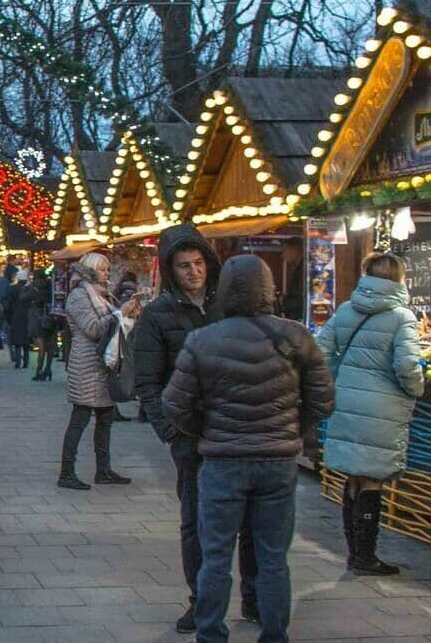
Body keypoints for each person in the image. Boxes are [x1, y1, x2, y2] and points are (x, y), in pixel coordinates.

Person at [163, 254, 334, 643]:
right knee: (273, 557)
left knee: (216, 556)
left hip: (222, 461)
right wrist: (291, 429)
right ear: (268, 289)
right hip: (277, 462)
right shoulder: (295, 336)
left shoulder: (202, 340)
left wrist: (207, 430)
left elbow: (174, 405)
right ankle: (274, 633)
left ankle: (211, 632)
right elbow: (323, 399)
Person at [133, 223, 257, 633]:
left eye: (199, 262)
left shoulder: (230, 304)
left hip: (238, 428)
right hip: (191, 434)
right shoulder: (158, 315)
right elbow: (147, 380)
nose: (193, 272)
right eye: (184, 265)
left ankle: (254, 596)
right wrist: (169, 429)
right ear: (171, 270)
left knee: (250, 517)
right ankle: (201, 600)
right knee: (198, 520)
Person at [316, 253, 423, 576]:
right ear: (399, 279)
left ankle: (355, 553)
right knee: (373, 479)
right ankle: (366, 556)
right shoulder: (401, 317)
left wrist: (340, 380)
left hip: (347, 402)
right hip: (383, 406)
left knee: (354, 476)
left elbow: (321, 351)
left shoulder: (347, 309)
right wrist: (415, 388)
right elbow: (407, 365)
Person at [58, 251, 138, 491]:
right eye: (103, 269)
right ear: (92, 271)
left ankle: (103, 469)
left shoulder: (102, 296)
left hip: (103, 365)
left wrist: (129, 316)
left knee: (105, 418)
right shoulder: (78, 297)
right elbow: (93, 329)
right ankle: (66, 472)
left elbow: (112, 326)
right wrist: (120, 313)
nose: (107, 273)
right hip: (86, 365)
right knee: (79, 418)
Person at [29, 269, 55, 381]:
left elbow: (24, 297)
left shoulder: (35, 287)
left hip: (40, 318)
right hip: (51, 317)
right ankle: (48, 369)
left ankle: (38, 370)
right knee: (50, 346)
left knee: (41, 347)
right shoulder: (51, 286)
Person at [7, 269, 32, 369]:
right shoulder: (29, 289)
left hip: (16, 316)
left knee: (17, 341)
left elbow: (9, 304)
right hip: (27, 316)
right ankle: (26, 362)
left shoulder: (12, 289)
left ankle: (17, 362)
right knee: (26, 341)